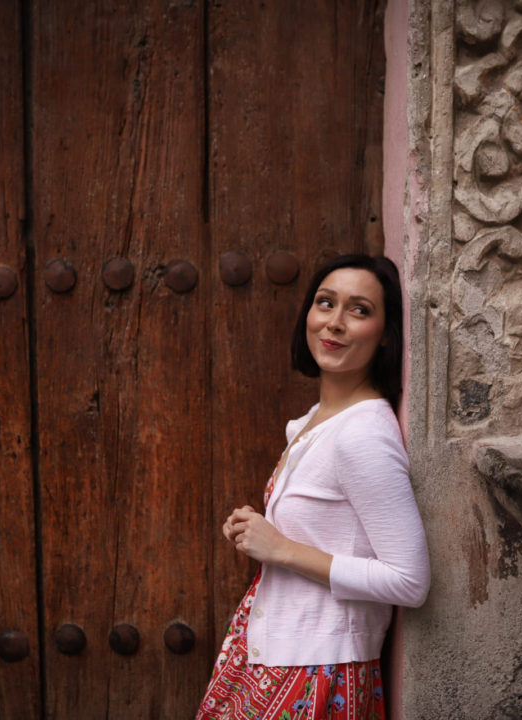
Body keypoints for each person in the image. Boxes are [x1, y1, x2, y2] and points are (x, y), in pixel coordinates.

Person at [196, 254, 430, 720]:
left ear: (385, 335)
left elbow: (409, 581)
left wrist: (280, 548)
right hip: (269, 654)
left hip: (316, 672)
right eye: (326, 303)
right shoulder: (314, 423)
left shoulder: (363, 434)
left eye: (359, 310)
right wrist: (259, 531)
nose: (336, 322)